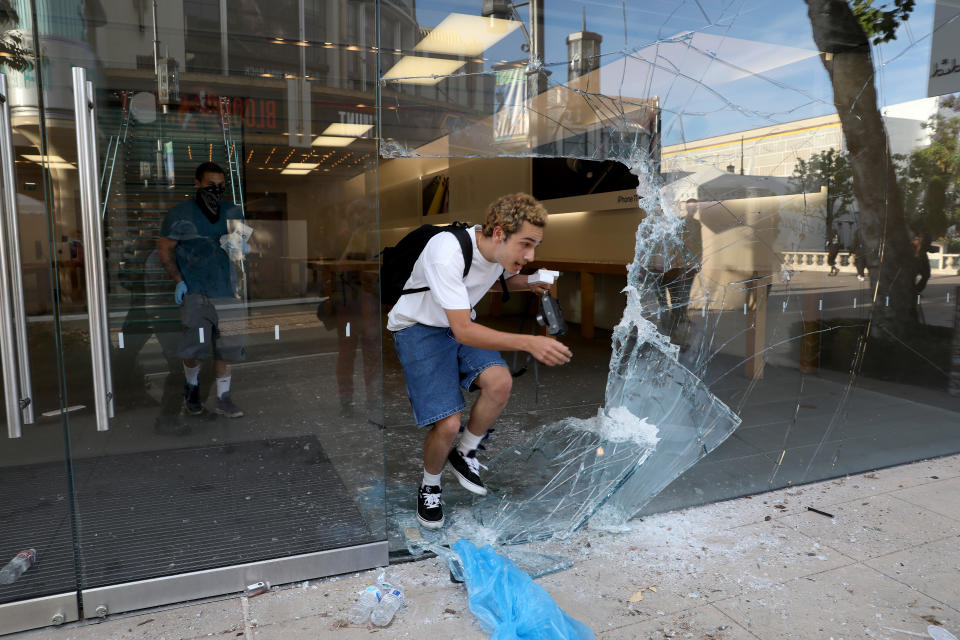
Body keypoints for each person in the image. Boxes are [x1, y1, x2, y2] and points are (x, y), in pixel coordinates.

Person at [387, 193, 572, 529]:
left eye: (536, 246)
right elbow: (464, 331)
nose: (530, 256)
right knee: (447, 424)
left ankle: (465, 452)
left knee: (499, 382)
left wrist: (529, 282)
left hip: (456, 324)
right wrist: (529, 342)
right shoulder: (447, 251)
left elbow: (488, 282)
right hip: (420, 328)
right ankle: (430, 486)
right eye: (526, 245)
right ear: (500, 233)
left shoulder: (496, 252)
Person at [158, 162, 249, 419]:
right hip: (196, 291)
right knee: (194, 349)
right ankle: (193, 388)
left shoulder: (233, 211)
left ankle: (223, 397)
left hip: (228, 292)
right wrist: (178, 280)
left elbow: (241, 244)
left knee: (227, 348)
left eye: (221, 186)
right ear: (197, 183)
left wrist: (240, 248)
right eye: (210, 185)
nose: (216, 190)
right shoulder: (180, 214)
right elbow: (165, 248)